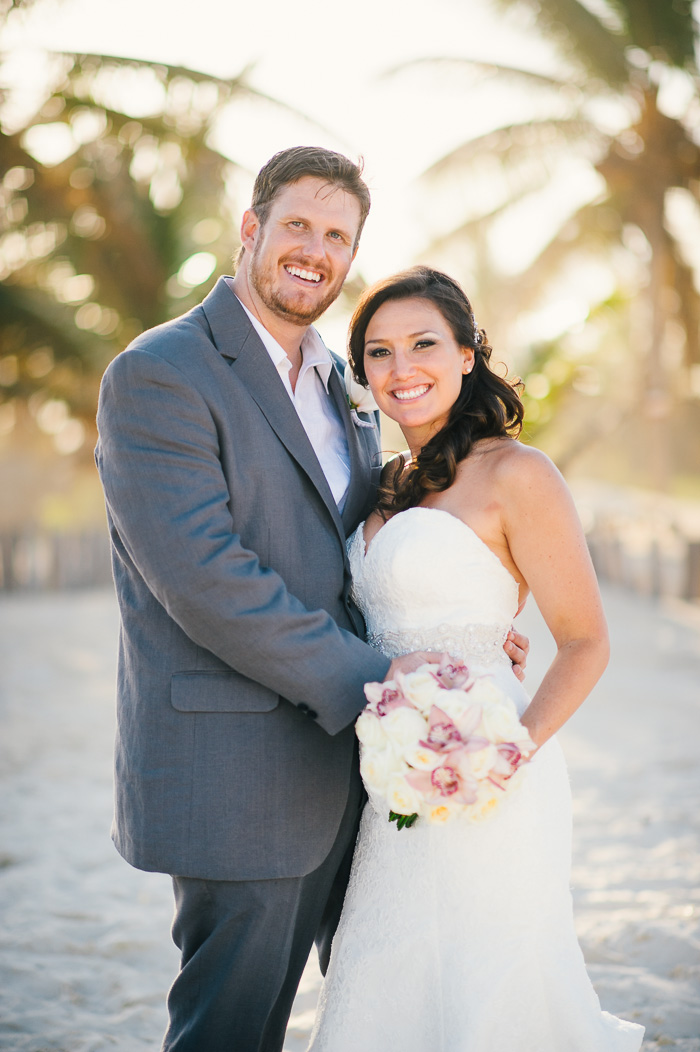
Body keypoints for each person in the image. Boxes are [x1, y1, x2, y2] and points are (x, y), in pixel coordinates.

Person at [94, 148, 529, 1052]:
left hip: (364, 778)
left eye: (338, 236)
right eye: (297, 223)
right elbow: (205, 579)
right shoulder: (162, 372)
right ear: (251, 229)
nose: (315, 249)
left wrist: (461, 629)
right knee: (229, 1030)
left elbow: (352, 557)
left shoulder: (345, 384)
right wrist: (389, 678)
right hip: (240, 770)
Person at [308, 266, 645, 1051]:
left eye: (423, 343)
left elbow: (588, 642)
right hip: (391, 763)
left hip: (490, 761)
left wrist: (506, 753)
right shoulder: (384, 484)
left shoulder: (518, 474)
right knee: (389, 961)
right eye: (380, 354)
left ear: (467, 354)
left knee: (492, 975)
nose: (402, 369)